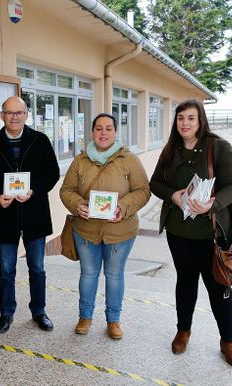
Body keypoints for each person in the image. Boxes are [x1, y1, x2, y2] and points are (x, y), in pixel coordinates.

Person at [149, 99, 232, 368]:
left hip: (213, 235)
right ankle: (183, 330)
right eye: (180, 118)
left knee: (219, 288)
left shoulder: (218, 147)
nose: (185, 123)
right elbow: (155, 183)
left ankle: (228, 341)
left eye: (191, 118)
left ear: (200, 120)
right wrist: (174, 195)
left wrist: (211, 204)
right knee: (186, 282)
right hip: (179, 232)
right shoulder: (170, 149)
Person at [60, 113, 150, 339]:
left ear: (115, 132)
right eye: (99, 128)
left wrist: (123, 207)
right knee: (88, 274)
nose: (103, 133)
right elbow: (66, 190)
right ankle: (85, 316)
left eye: (108, 128)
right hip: (86, 230)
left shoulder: (129, 160)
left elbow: (143, 191)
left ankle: (113, 320)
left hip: (121, 231)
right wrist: (77, 205)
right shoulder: (80, 160)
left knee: (114, 275)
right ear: (92, 132)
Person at [0, 96, 59, 333]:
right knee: (6, 269)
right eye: (9, 113)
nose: (14, 117)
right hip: (5, 216)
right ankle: (6, 313)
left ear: (26, 115)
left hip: (35, 214)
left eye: (19, 113)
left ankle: (39, 311)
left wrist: (35, 190)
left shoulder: (40, 141)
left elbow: (52, 173)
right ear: (2, 115)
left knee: (37, 267)